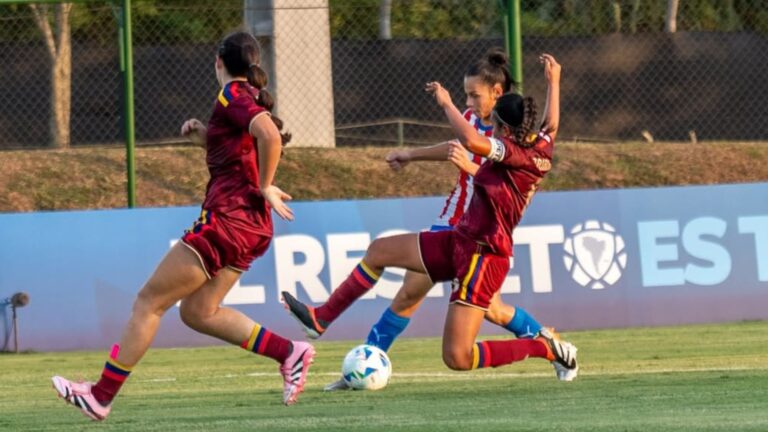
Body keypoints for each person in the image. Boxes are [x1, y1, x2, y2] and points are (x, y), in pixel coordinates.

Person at [51, 31, 315, 421]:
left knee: (148, 303)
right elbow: (243, 147)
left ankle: (101, 396)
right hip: (252, 227)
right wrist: (205, 139)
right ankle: (289, 352)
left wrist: (265, 185)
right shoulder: (250, 99)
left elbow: (270, 136)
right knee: (199, 312)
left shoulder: (231, 95)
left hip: (226, 220)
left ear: (218, 62)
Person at [284, 53, 578, 380]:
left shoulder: (510, 150)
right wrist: (554, 81)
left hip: (483, 247)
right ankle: (325, 324)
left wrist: (447, 104)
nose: (469, 102)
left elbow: (472, 146)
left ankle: (547, 345)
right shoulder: (535, 141)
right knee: (383, 255)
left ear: (498, 101)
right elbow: (548, 126)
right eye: (465, 96)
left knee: (455, 341)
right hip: (459, 233)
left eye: (473, 95)